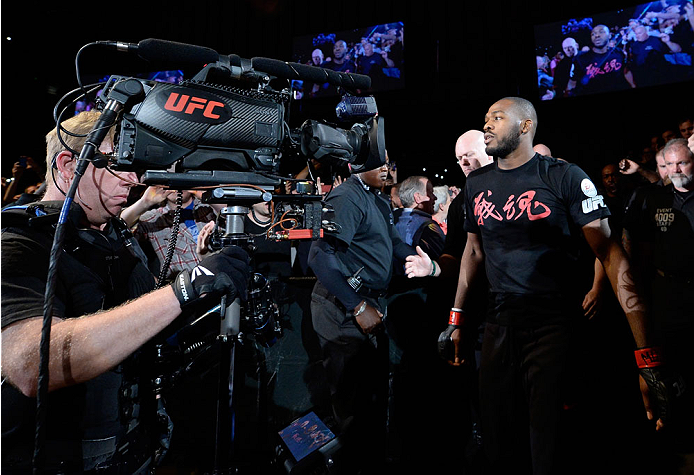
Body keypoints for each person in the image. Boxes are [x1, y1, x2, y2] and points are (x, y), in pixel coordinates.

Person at [405, 97, 679, 475]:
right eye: (485, 118)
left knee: (550, 440)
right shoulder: (477, 184)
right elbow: (473, 251)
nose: (487, 124)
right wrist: (457, 317)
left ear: (524, 126)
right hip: (499, 324)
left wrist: (645, 354)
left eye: (496, 118)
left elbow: (612, 255)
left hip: (554, 324)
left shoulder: (563, 177)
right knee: (498, 437)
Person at [0, 110, 250, 473]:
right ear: (69, 165)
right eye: (121, 164)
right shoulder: (19, 244)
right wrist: (184, 287)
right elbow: (29, 364)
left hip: (137, 446)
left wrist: (205, 280)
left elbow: (146, 322)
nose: (134, 180)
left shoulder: (114, 236)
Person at [307, 159, 415, 472]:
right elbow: (319, 255)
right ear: (356, 164)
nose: (389, 169)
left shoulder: (378, 197)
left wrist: (422, 261)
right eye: (380, 163)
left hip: (369, 304)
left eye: (392, 163)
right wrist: (356, 305)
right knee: (353, 406)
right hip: (343, 307)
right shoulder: (348, 197)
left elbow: (394, 243)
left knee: (373, 401)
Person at [622, 137, 694, 462]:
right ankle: (679, 439)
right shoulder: (654, 198)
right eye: (671, 164)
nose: (677, 170)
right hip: (669, 297)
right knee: (673, 373)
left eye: (683, 163)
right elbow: (637, 251)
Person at [121, 187, 218, 282]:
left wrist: (206, 196)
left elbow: (229, 213)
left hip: (220, 276)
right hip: (186, 285)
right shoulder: (154, 218)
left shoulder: (209, 207)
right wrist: (145, 202)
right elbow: (117, 225)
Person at [567, 24, 636, 96]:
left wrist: (633, 85)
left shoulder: (619, 53)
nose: (596, 35)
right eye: (593, 34)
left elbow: (626, 71)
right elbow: (572, 81)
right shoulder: (580, 59)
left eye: (601, 32)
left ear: (609, 35)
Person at [393, 175, 445, 267]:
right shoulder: (428, 227)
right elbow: (442, 263)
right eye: (431, 193)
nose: (434, 198)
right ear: (418, 197)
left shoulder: (389, 220)